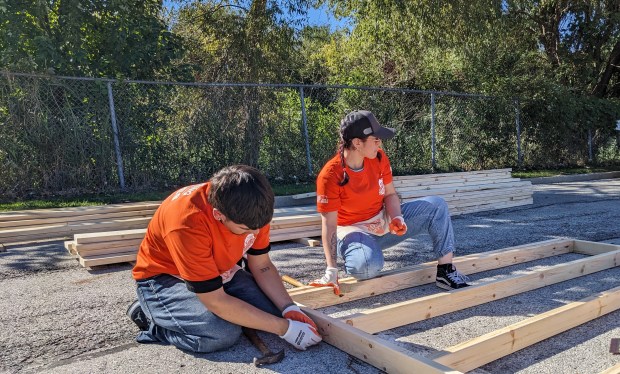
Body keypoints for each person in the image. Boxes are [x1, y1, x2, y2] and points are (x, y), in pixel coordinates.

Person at [127, 165, 321, 353]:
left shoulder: (253, 210)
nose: (254, 233)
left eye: (259, 227)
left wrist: (288, 309)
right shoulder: (187, 224)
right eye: (245, 230)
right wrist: (284, 328)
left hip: (218, 272)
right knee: (221, 333)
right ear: (218, 215)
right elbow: (216, 300)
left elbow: (261, 265)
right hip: (164, 278)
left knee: (272, 312)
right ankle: (155, 321)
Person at [310, 110, 470, 295]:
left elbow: (390, 195)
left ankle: (446, 271)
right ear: (357, 143)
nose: (380, 143)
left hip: (380, 222)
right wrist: (331, 270)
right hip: (351, 230)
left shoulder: (378, 157)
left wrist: (396, 217)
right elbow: (329, 226)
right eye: (375, 139)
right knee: (367, 267)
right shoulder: (330, 175)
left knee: (437, 206)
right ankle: (361, 252)